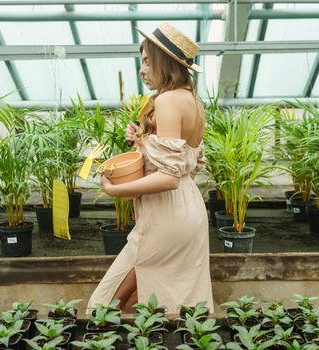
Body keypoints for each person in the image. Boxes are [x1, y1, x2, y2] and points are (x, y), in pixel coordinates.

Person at [86, 22, 213, 315]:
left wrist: (116, 189)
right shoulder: (190, 99)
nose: (142, 70)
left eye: (146, 61)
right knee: (163, 301)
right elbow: (181, 164)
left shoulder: (167, 101)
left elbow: (168, 177)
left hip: (167, 212)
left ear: (164, 62)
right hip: (186, 206)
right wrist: (142, 138)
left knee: (106, 306)